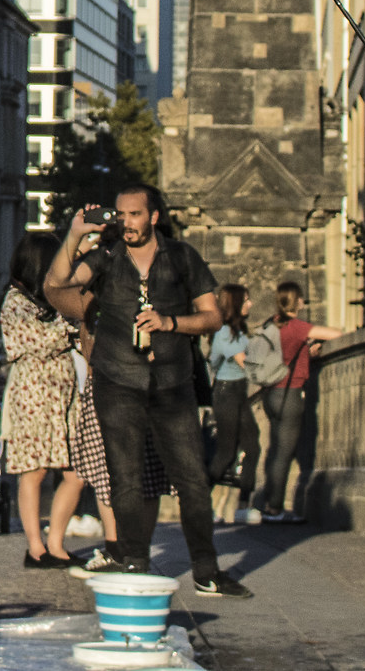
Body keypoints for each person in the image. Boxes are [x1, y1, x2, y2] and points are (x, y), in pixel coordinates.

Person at [45, 185, 250, 598]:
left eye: (135, 214)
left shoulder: (182, 257)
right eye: (120, 214)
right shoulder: (106, 256)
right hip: (118, 381)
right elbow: (57, 284)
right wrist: (75, 234)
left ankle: (206, 571)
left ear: (153, 217)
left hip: (172, 383)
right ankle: (135, 563)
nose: (126, 222)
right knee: (125, 478)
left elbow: (211, 317)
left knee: (192, 479)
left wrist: (170, 323)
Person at [0, 232, 83, 569]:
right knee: (34, 471)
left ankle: (56, 544)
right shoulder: (15, 301)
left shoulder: (51, 301)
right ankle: (35, 547)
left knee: (76, 473)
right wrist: (71, 324)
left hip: (63, 394)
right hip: (34, 394)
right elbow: (39, 341)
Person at [253, 281, 340, 522]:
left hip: (271, 394)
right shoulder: (296, 326)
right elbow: (337, 334)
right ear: (296, 301)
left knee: (275, 450)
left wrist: (305, 353)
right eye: (301, 298)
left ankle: (266, 502)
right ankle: (274, 508)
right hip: (289, 393)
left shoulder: (270, 324)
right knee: (284, 452)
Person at [205, 284, 261, 504]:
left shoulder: (237, 331)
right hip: (226, 393)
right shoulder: (225, 332)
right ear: (235, 304)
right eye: (246, 300)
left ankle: (244, 504)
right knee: (226, 452)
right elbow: (244, 361)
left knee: (252, 447)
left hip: (238, 392)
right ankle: (199, 499)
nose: (250, 304)